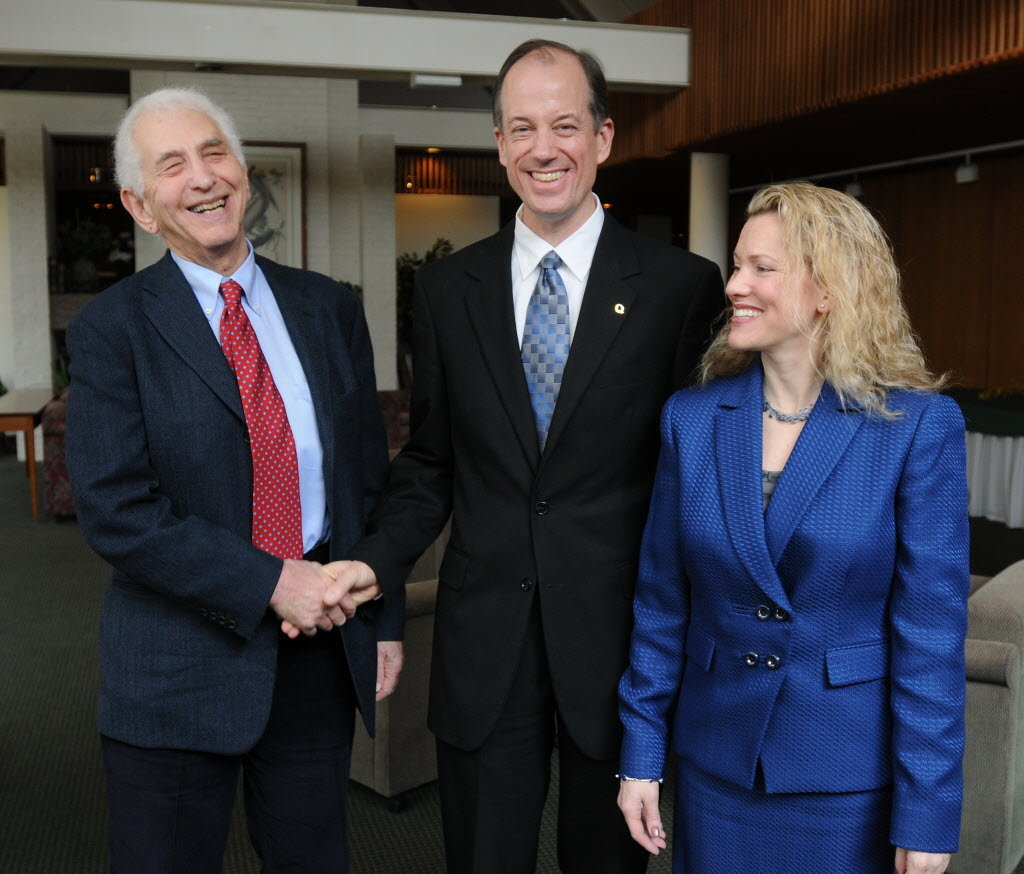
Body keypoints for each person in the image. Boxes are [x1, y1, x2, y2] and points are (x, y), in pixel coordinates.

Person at [327, 38, 724, 874]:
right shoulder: (446, 290)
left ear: (604, 138)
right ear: (500, 144)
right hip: (484, 645)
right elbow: (432, 461)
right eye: (521, 128)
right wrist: (375, 565)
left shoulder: (682, 287)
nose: (544, 148)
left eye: (565, 125)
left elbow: (696, 476)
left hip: (620, 651)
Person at [65, 87, 402, 874]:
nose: (203, 177)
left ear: (244, 173)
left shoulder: (329, 308)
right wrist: (269, 582)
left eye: (214, 153)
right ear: (141, 207)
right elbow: (116, 510)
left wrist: (381, 622)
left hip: (315, 657)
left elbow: (366, 482)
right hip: (176, 669)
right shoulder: (111, 330)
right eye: (172, 165)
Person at [617, 181, 968, 874]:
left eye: (762, 269)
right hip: (716, 765)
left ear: (829, 290)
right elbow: (661, 608)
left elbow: (931, 635)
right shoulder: (690, 419)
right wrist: (641, 757)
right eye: (737, 265)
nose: (735, 285)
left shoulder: (917, 428)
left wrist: (929, 809)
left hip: (844, 776)